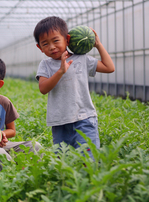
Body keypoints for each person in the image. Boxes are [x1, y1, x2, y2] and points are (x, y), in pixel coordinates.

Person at [34, 16, 115, 157]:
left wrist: (98, 45)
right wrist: (60, 71)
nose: (52, 47)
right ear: (39, 47)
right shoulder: (45, 65)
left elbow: (109, 67)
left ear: (67, 39)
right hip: (59, 122)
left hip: (84, 118)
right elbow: (43, 88)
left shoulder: (81, 58)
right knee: (63, 160)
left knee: (88, 159)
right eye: (45, 44)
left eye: (56, 40)